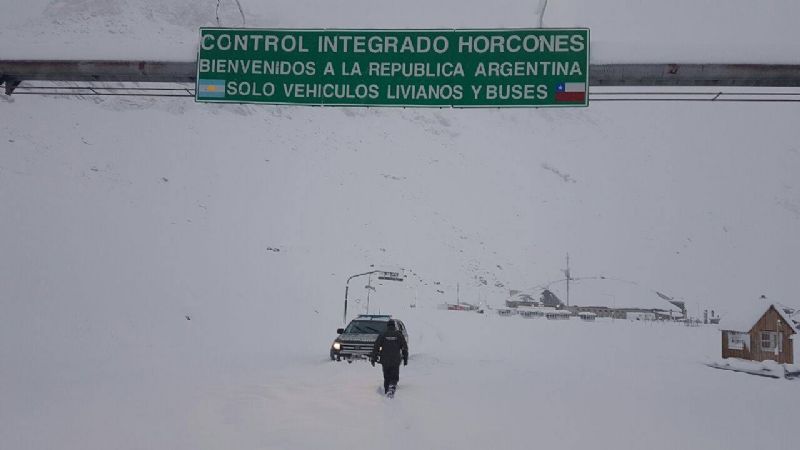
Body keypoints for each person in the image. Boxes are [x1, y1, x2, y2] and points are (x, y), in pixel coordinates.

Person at [370, 320, 408, 395]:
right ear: (394, 326)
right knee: (394, 375)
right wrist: (405, 358)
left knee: (386, 376)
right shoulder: (399, 335)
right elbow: (404, 347)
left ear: (387, 326)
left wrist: (373, 358)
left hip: (385, 360)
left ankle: (387, 389)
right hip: (395, 360)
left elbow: (376, 347)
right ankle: (392, 387)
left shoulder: (383, 335)